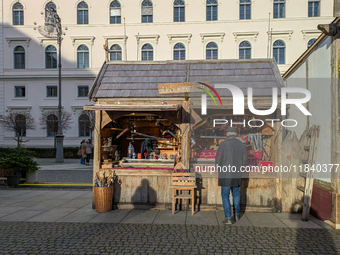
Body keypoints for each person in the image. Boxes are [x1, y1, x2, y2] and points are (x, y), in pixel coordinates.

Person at [215, 126, 248, 225]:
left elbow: (218, 161)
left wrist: (219, 169)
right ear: (236, 134)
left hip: (225, 174)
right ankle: (237, 215)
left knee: (225, 195)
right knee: (236, 194)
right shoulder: (242, 145)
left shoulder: (223, 144)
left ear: (227, 134)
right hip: (237, 173)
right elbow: (245, 160)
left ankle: (228, 217)